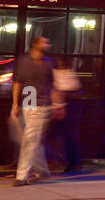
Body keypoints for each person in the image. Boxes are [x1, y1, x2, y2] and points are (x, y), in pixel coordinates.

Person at [11, 36, 60, 186]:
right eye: (45, 42)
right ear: (36, 45)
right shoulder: (24, 61)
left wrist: (58, 104)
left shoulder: (48, 62)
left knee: (30, 138)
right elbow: (18, 82)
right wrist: (15, 104)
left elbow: (52, 85)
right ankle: (41, 171)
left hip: (42, 102)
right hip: (29, 98)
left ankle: (22, 175)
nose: (48, 44)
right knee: (32, 138)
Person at [52, 57, 83, 173]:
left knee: (65, 136)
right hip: (68, 107)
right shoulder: (70, 73)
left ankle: (66, 161)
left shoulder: (60, 73)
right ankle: (70, 161)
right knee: (68, 137)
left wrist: (59, 106)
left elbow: (59, 91)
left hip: (64, 107)